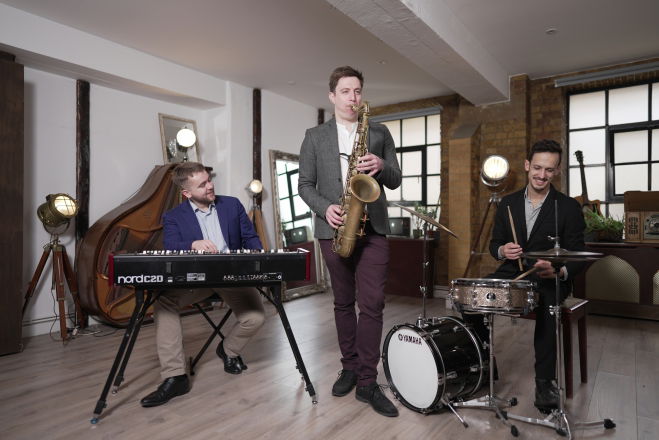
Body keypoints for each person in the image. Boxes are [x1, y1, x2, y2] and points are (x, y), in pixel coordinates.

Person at [298, 66, 402, 417]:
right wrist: (325, 208)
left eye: (357, 91)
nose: (352, 97)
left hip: (374, 229)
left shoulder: (379, 131)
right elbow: (304, 185)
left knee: (372, 304)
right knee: (343, 302)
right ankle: (350, 366)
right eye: (345, 91)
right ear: (332, 96)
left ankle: (368, 381)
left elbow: (396, 179)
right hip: (335, 228)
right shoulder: (315, 136)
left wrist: (381, 164)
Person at [464, 139, 585, 413]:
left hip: (548, 277)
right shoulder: (508, 203)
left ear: (557, 171)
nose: (542, 175)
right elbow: (494, 243)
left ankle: (545, 383)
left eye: (549, 170)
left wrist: (560, 270)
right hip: (511, 272)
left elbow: (578, 252)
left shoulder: (568, 207)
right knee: (470, 298)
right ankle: (485, 364)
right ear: (528, 165)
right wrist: (502, 250)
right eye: (538, 167)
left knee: (548, 306)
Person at [140, 162, 266, 408]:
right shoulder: (174, 216)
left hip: (232, 276)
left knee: (256, 317)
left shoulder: (232, 205)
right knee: (163, 303)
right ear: (186, 193)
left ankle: (228, 350)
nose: (210, 186)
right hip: (198, 280)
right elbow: (170, 247)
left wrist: (255, 259)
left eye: (209, 180)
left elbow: (251, 238)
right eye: (202, 185)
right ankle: (175, 376)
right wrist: (192, 245)